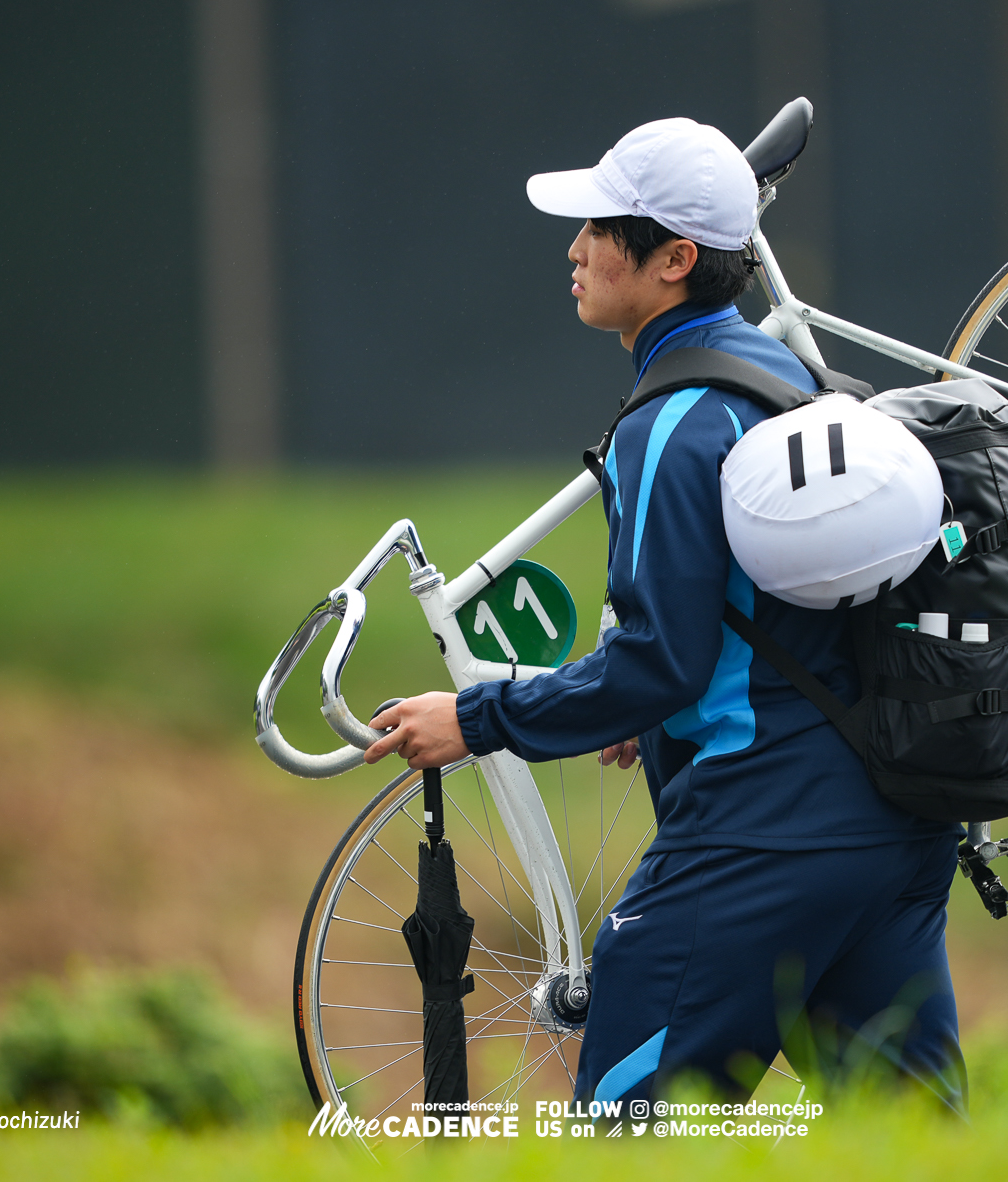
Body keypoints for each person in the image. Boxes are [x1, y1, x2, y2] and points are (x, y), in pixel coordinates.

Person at [363, 116, 966, 1112]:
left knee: (629, 1121)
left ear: (674, 259)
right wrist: (653, 707)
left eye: (600, 229)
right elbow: (767, 612)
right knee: (909, 1143)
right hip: (891, 821)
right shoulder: (786, 381)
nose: (576, 250)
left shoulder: (674, 418)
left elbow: (660, 662)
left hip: (759, 830)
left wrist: (472, 720)